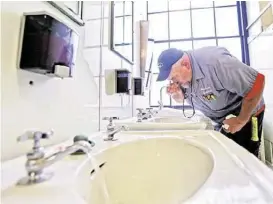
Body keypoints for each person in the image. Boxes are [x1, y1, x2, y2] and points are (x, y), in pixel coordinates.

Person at [156, 46, 265, 157]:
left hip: (248, 113)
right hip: (221, 119)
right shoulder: (184, 78)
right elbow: (184, 99)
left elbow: (257, 83)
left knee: (246, 157)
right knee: (227, 157)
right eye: (170, 80)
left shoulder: (216, 62)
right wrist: (177, 94)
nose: (173, 82)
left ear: (186, 65)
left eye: (174, 77)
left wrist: (240, 121)